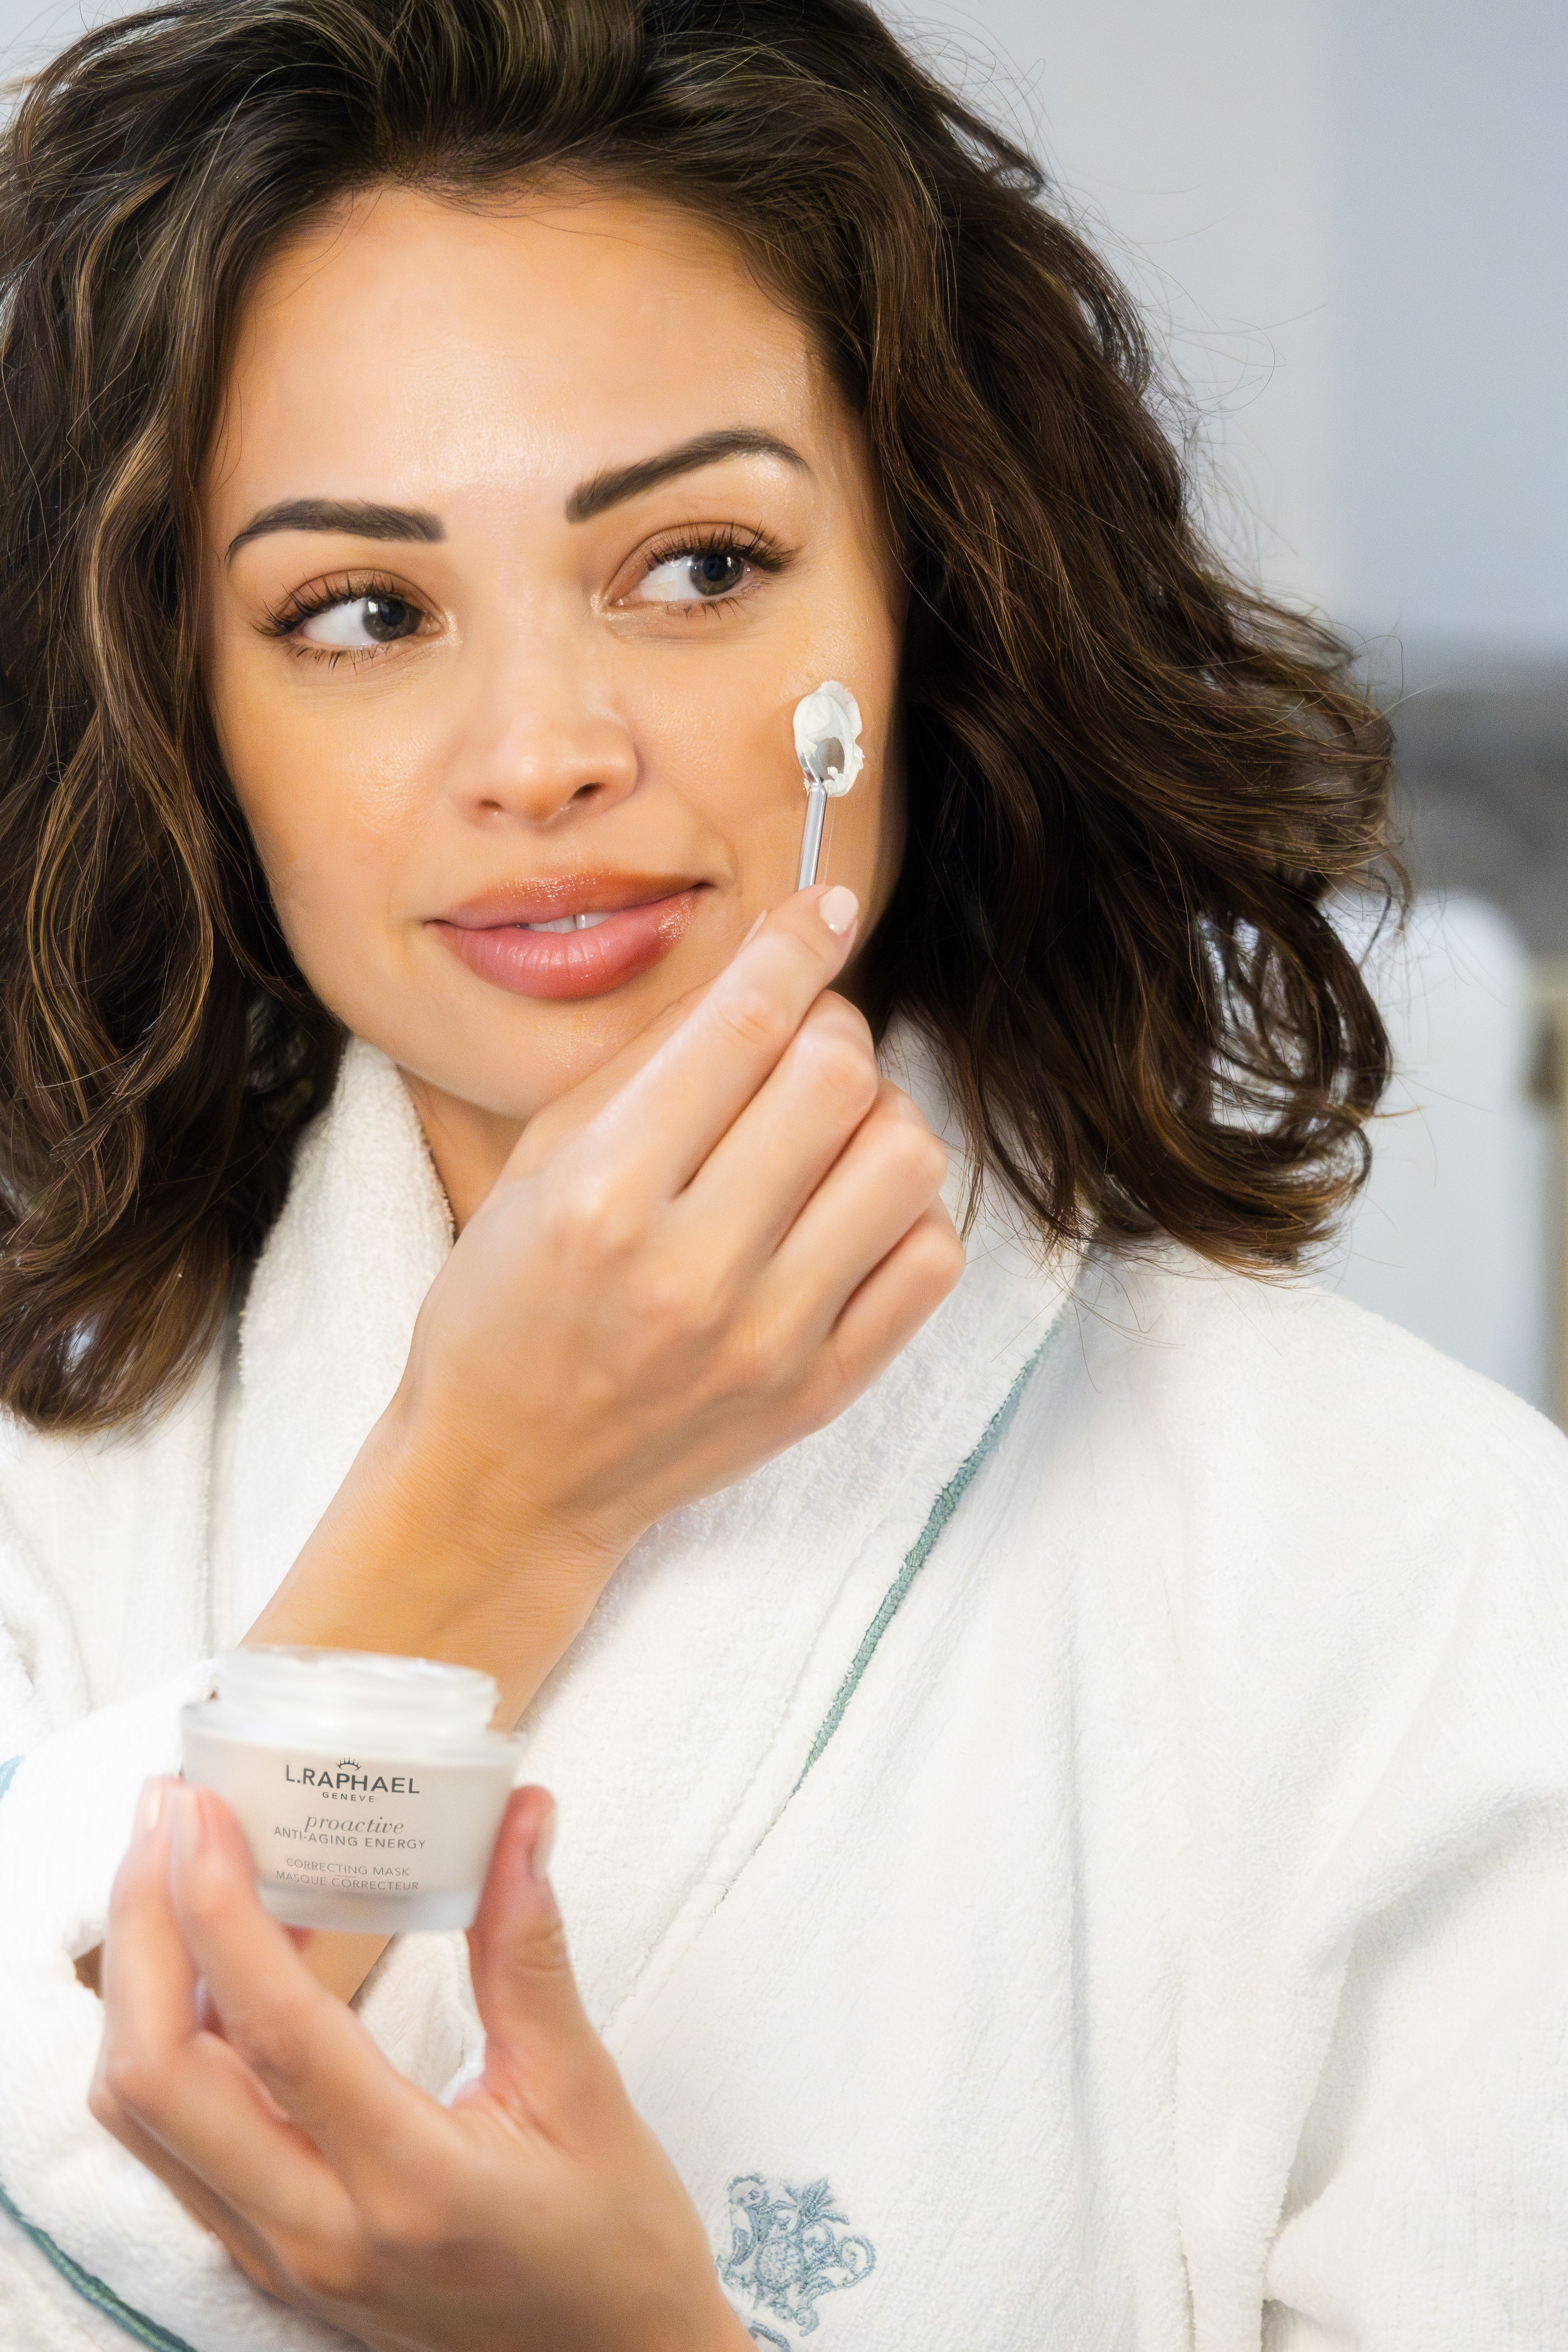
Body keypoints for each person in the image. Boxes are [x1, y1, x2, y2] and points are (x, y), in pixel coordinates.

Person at [0, 1, 1564, 2346]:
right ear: (189, 715)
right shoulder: (44, 1464)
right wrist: (494, 1495)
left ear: (929, 605)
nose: (545, 751)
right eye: (359, 611)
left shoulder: (1429, 1574)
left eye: (699, 566)